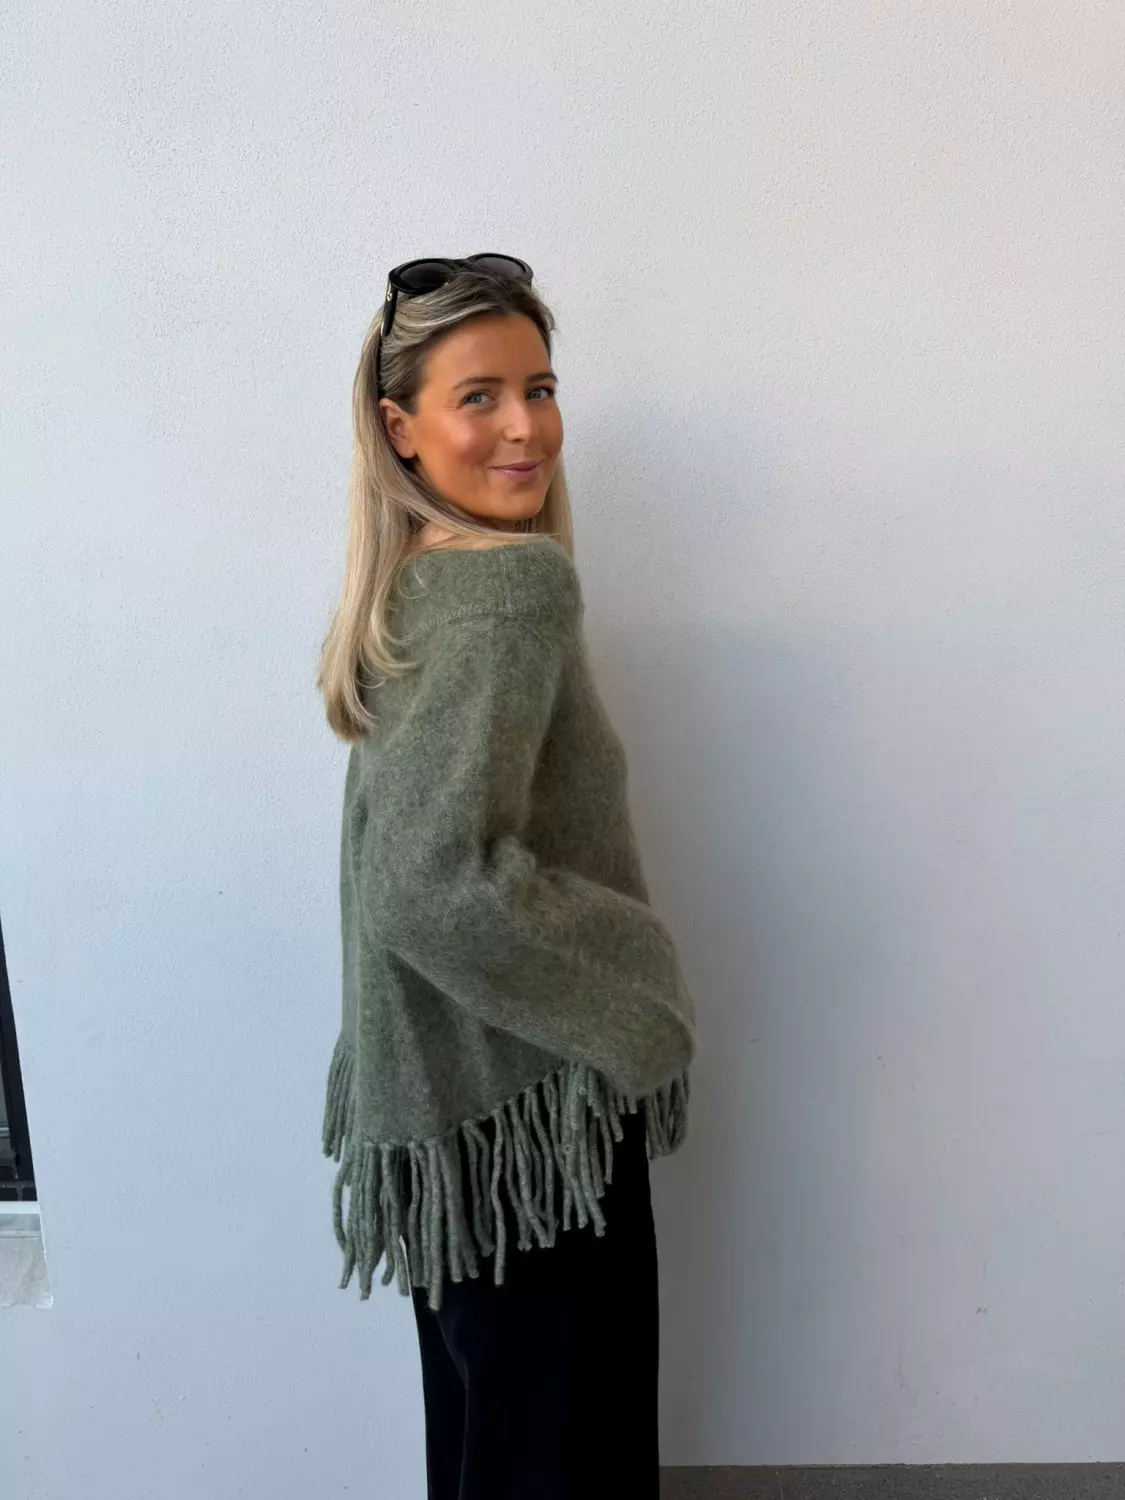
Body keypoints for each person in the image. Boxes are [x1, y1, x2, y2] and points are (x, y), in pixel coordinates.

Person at [316, 254, 697, 1499]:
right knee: (570, 1458)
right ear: (401, 428)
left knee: (496, 1451)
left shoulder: (420, 583)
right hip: (533, 1111)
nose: (525, 427)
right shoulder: (508, 589)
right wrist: (637, 979)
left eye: (539, 388)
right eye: (477, 396)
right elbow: (426, 886)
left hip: (459, 1113)